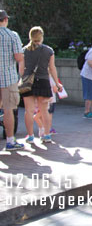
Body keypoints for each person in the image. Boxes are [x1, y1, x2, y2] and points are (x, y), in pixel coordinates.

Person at [21, 26, 63, 143]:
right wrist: (57, 83)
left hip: (28, 81)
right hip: (43, 81)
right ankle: (46, 134)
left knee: (28, 111)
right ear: (42, 37)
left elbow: (21, 68)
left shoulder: (24, 50)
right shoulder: (49, 50)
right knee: (44, 110)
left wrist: (21, 79)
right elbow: (52, 68)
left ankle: (30, 136)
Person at [0, 9, 25, 151]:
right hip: (8, 77)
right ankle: (10, 141)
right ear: (5, 20)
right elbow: (19, 57)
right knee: (9, 110)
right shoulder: (12, 35)